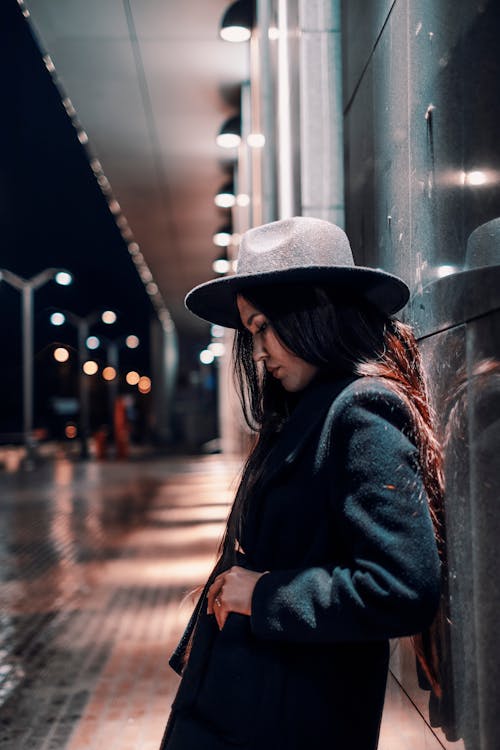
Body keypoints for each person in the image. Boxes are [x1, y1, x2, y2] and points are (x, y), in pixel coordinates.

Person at [159, 217, 443, 750]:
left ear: (313, 312)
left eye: (264, 325)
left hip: (293, 714)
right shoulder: (305, 412)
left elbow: (401, 589)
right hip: (252, 702)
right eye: (250, 331)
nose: (258, 352)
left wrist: (264, 593)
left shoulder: (360, 410)